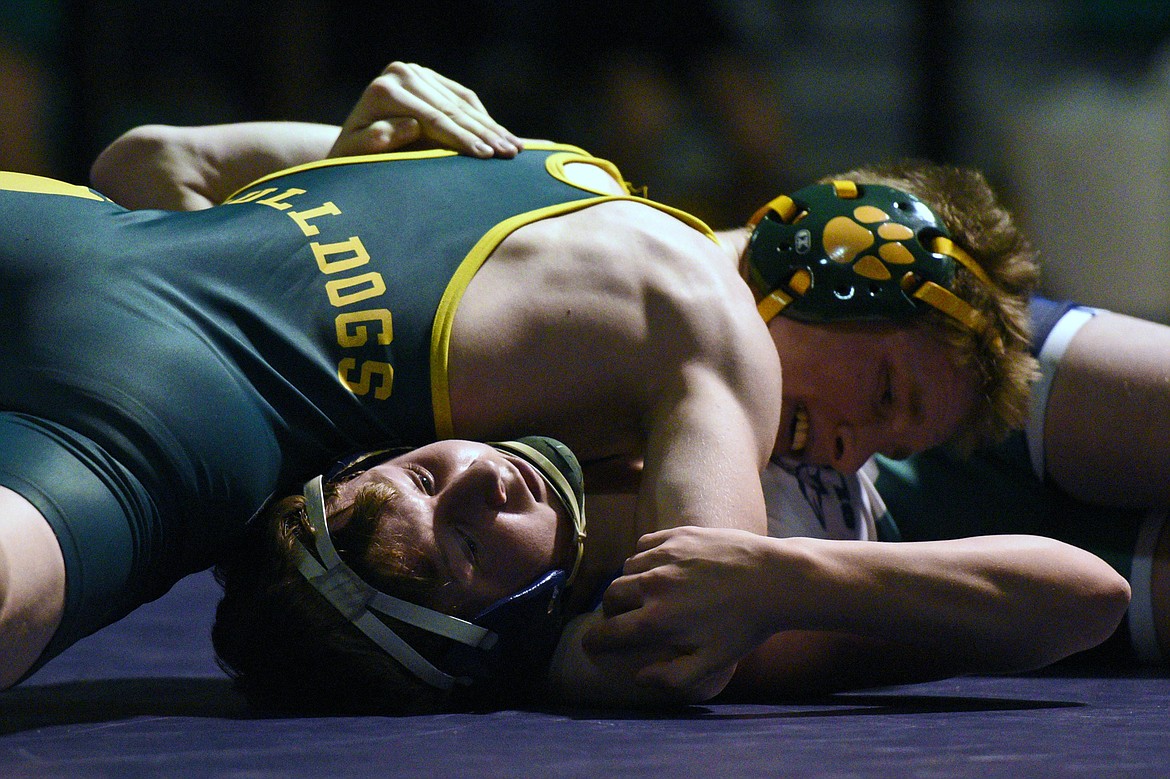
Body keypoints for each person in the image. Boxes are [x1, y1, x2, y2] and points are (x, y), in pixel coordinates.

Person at [0, 62, 1126, 709]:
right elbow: (695, 620)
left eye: (441, 481)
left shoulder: (515, 151)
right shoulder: (705, 329)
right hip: (187, 398)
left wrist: (325, 196)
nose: (853, 446)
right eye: (878, 396)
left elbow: (145, 158)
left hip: (85, 239)